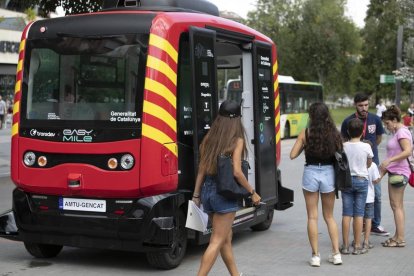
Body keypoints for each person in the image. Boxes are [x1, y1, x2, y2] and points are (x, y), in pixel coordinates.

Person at [192, 100, 261, 276]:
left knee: (225, 239)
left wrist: (197, 194)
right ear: (237, 119)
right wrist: (252, 192)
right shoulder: (236, 141)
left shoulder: (209, 138)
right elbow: (237, 172)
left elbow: (202, 168)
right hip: (225, 194)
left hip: (208, 191)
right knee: (216, 241)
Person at [290, 102, 342, 267]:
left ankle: (315, 256)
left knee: (312, 216)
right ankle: (336, 253)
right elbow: (340, 154)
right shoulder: (334, 134)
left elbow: (292, 155)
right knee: (329, 216)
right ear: (327, 115)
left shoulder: (306, 133)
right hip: (329, 173)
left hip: (311, 173)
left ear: (311, 116)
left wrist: (303, 147)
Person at [340, 93, 388, 236]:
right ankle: (359, 224)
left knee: (377, 194)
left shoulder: (375, 119)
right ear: (355, 104)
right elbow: (343, 140)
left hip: (373, 162)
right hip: (354, 165)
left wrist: (368, 149)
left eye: (366, 105)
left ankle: (375, 224)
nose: (364, 108)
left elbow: (379, 138)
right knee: (357, 194)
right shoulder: (348, 121)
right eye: (361, 105)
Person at [379, 105, 412, 248]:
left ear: (394, 119)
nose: (386, 126)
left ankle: (400, 239)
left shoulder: (402, 133)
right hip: (395, 171)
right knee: (397, 206)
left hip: (399, 173)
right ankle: (398, 236)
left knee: (396, 205)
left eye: (387, 123)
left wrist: (390, 161)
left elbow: (407, 152)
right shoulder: (398, 132)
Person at [341, 118, 373, 255]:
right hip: (361, 180)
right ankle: (358, 245)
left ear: (348, 131)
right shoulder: (366, 146)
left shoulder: (343, 146)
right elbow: (369, 163)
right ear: (363, 132)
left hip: (346, 181)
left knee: (346, 213)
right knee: (359, 213)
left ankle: (346, 246)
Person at [362, 140, 381, 250]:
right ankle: (366, 241)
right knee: (369, 219)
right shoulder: (373, 165)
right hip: (369, 197)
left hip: (358, 196)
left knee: (358, 217)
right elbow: (375, 181)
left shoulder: (357, 161)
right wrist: (381, 174)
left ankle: (357, 240)